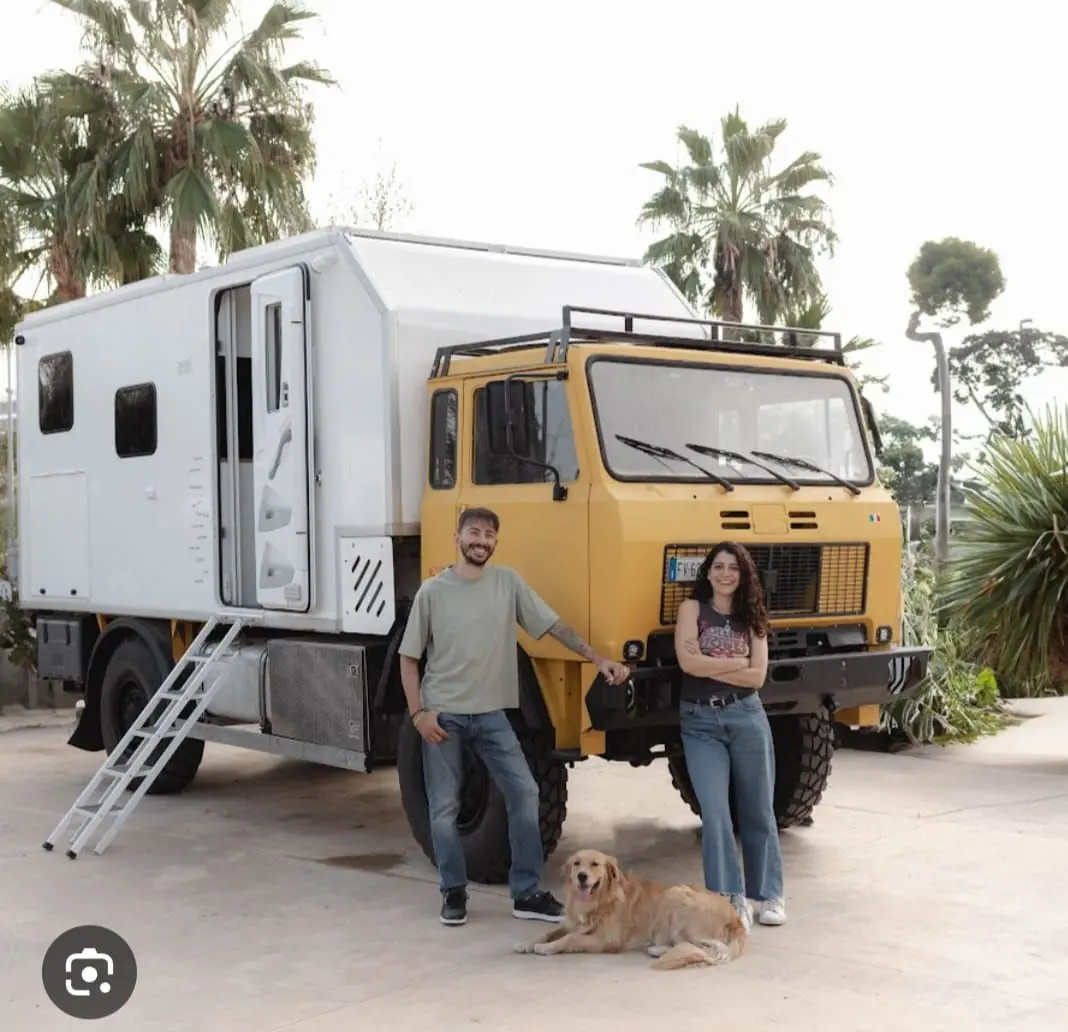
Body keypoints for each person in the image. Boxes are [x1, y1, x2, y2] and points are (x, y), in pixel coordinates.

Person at [398, 506, 632, 927]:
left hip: (491, 715)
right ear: (457, 537)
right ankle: (453, 891)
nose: (481, 541)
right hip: (444, 716)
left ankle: (525, 893)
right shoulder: (432, 592)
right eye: (473, 533)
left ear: (495, 542)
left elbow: (553, 626)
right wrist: (418, 715)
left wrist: (597, 659)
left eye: (489, 535)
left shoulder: (507, 583)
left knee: (525, 793)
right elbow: (408, 659)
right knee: (444, 808)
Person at [673, 541, 786, 930]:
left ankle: (768, 894)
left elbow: (757, 677)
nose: (725, 574)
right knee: (717, 814)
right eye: (719, 566)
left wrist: (712, 665)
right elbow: (686, 663)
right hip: (700, 723)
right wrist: (737, 661)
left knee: (758, 810)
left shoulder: (752, 615)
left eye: (733, 568)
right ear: (708, 572)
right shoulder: (692, 610)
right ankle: (730, 897)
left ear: (743, 575)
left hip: (746, 717)